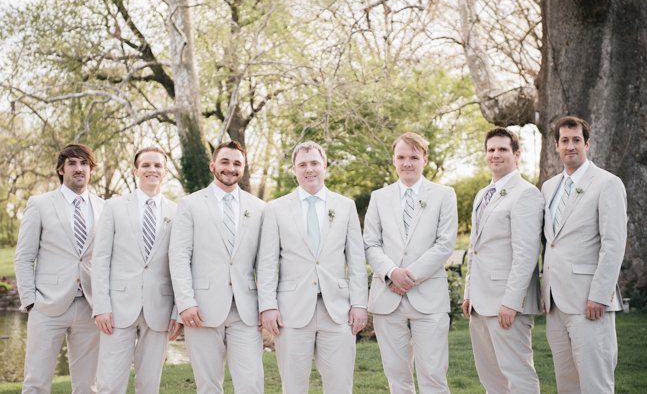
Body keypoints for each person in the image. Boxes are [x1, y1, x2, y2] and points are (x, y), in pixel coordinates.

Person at [257, 141, 368, 394]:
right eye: (303, 164)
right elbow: (267, 263)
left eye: (314, 163)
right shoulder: (276, 208)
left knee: (340, 386)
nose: (309, 169)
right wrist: (268, 306)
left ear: (324, 166)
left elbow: (357, 261)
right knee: (293, 387)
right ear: (294, 170)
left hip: (337, 311)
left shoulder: (345, 206)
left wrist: (360, 304)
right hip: (291, 312)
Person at [169, 141, 266, 393]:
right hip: (201, 310)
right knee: (208, 386)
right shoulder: (189, 204)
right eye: (224, 162)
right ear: (213, 165)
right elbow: (179, 257)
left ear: (243, 168)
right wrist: (185, 303)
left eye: (237, 163)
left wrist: (266, 305)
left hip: (246, 311)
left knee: (251, 384)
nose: (230, 168)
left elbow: (265, 263)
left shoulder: (259, 208)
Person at [364, 132, 457, 394]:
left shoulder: (444, 195)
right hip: (387, 299)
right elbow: (370, 244)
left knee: (433, 376)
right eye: (402, 157)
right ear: (393, 160)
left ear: (424, 159)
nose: (407, 163)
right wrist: (392, 272)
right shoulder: (379, 197)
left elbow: (445, 244)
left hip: (429, 298)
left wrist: (408, 276)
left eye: (414, 157)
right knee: (397, 379)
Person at [541, 116, 627, 394]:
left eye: (576, 140)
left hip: (589, 301)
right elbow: (551, 243)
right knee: (567, 384)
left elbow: (613, 243)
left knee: (595, 383)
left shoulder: (607, 183)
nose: (570, 146)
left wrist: (600, 295)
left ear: (587, 144)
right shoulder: (548, 187)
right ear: (556, 146)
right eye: (564, 140)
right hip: (554, 302)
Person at [14, 144, 104, 393]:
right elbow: (23, 258)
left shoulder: (104, 207)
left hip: (90, 308)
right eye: (72, 163)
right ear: (61, 170)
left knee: (87, 386)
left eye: (84, 163)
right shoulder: (39, 204)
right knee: (36, 384)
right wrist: (30, 303)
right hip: (46, 307)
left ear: (91, 170)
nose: (79, 169)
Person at [91, 146, 181, 393]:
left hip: (160, 308)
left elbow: (181, 264)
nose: (152, 170)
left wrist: (178, 310)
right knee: (110, 383)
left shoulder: (177, 212)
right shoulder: (114, 207)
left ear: (165, 172)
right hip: (117, 308)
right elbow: (100, 259)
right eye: (146, 165)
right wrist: (101, 306)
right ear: (135, 171)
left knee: (149, 385)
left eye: (158, 165)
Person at [462, 127, 544, 393]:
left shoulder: (526, 193)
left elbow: (526, 254)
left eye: (502, 149)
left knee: (518, 376)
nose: (495, 155)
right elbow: (475, 249)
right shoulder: (483, 194)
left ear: (516, 154)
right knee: (492, 380)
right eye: (491, 150)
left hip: (506, 305)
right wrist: (469, 293)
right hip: (480, 303)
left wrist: (511, 302)